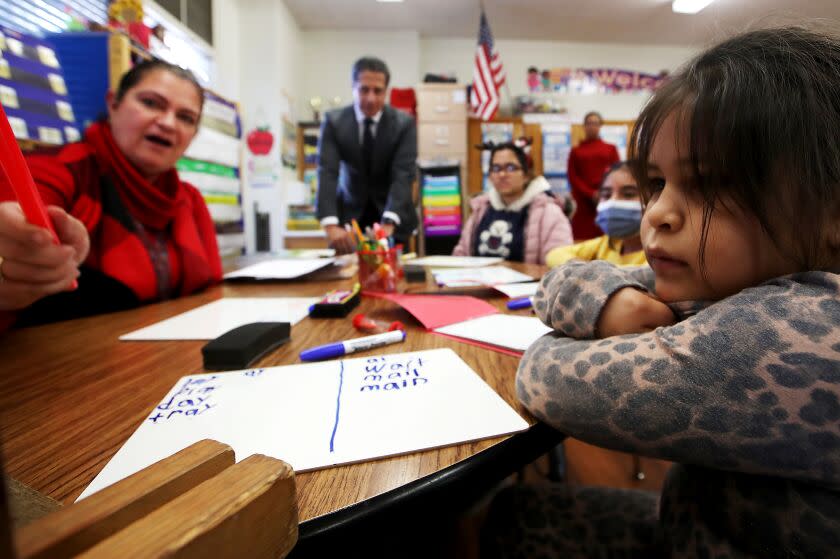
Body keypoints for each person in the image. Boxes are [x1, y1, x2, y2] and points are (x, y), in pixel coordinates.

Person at [485, 26, 840, 557]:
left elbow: (542, 377)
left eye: (710, 184)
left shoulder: (801, 334)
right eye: (658, 183)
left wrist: (601, 314)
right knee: (516, 510)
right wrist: (613, 305)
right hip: (697, 524)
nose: (656, 212)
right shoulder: (733, 282)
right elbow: (558, 281)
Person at [0, 59, 221, 329]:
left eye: (186, 118)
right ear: (113, 104)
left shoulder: (190, 199)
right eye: (151, 103)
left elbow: (212, 291)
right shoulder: (63, 169)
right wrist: (18, 247)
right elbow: (18, 212)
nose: (168, 123)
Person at [316, 56, 417, 254]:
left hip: (392, 217)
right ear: (353, 87)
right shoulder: (334, 122)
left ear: (386, 91)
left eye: (378, 91)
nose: (371, 98)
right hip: (349, 220)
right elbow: (327, 172)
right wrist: (330, 224)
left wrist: (389, 221)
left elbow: (403, 175)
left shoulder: (404, 124)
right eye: (364, 89)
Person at [452, 141, 572, 264]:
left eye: (510, 168)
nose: (502, 174)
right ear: (490, 176)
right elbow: (461, 254)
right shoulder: (480, 210)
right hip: (478, 282)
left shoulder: (549, 213)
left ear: (526, 175)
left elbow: (559, 267)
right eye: (496, 168)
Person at [545, 161, 646, 267]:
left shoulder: (656, 254)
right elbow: (554, 255)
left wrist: (592, 273)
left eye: (628, 194)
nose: (613, 202)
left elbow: (643, 275)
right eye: (606, 195)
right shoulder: (608, 243)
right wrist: (587, 270)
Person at [567, 111, 619, 241]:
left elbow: (617, 173)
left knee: (606, 238)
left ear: (600, 125)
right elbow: (573, 177)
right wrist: (591, 193)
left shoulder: (610, 148)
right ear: (584, 126)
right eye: (589, 123)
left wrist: (603, 193)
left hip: (606, 199)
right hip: (583, 203)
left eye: (595, 123)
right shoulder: (575, 151)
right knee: (582, 239)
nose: (592, 126)